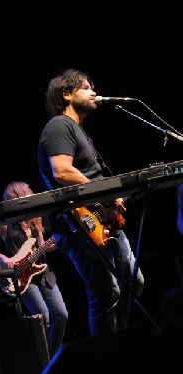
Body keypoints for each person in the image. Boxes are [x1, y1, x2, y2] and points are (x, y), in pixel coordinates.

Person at [37, 68, 144, 337]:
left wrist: (112, 200)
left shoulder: (81, 132)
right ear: (67, 94)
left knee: (134, 281)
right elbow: (62, 171)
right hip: (77, 223)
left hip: (101, 220)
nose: (94, 92)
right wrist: (105, 195)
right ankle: (108, 359)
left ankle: (124, 340)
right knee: (106, 292)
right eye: (86, 87)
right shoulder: (59, 125)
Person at [0, 181, 68, 357]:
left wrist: (60, 242)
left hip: (42, 271)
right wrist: (3, 258)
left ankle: (54, 353)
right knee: (42, 316)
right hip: (21, 276)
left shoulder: (36, 218)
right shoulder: (4, 223)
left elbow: (42, 246)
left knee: (61, 314)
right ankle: (44, 357)